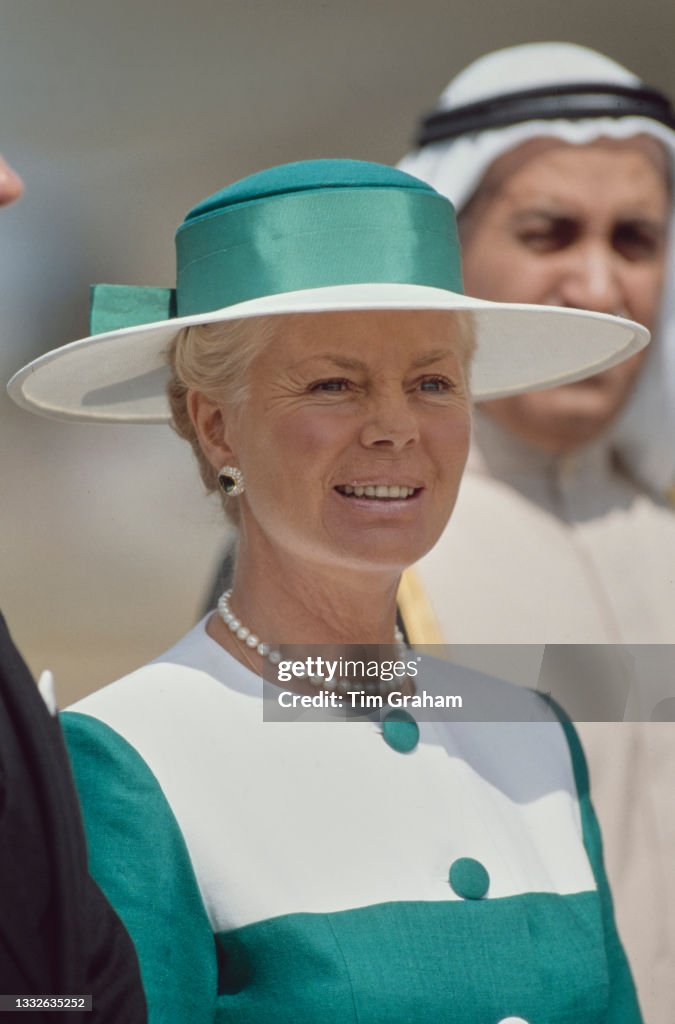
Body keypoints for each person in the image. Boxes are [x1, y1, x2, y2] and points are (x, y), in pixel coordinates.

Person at [8, 159, 648, 1022]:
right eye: (333, 385)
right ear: (214, 421)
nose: (394, 427)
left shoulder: (536, 735)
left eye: (431, 382)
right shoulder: (126, 759)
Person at [398, 42, 675, 1022]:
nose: (598, 286)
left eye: (636, 241)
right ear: (447, 253)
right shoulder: (363, 556)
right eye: (550, 233)